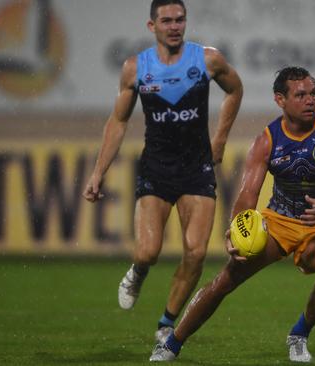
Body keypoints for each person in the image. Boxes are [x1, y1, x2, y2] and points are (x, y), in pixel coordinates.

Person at [149, 66, 315, 362]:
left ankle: (299, 333)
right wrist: (235, 229)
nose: (310, 101)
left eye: (313, 93)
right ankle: (171, 344)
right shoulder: (267, 140)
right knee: (225, 280)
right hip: (279, 223)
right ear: (280, 100)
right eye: (301, 95)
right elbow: (247, 195)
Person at [82, 0, 243, 342]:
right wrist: (98, 173)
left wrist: (221, 138)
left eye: (180, 19)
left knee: (196, 252)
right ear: (151, 26)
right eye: (166, 20)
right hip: (156, 168)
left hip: (196, 168)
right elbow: (119, 121)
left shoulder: (207, 59)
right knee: (147, 252)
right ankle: (139, 271)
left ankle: (166, 323)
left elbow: (235, 89)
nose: (174, 26)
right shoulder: (135, 68)